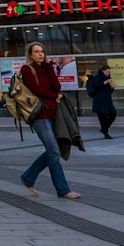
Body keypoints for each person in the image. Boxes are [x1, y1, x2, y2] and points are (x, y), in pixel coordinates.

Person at [16, 42, 79, 199]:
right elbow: (35, 89)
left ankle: (28, 177)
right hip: (39, 115)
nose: (40, 54)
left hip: (53, 114)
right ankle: (63, 190)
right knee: (54, 151)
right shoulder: (27, 69)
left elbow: (56, 87)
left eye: (42, 51)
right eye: (36, 52)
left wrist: (50, 69)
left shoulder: (47, 68)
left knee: (53, 151)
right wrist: (53, 95)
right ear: (30, 54)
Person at [86, 64, 117, 139]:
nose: (108, 73)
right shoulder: (98, 77)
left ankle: (104, 129)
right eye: (107, 72)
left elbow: (110, 90)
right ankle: (106, 133)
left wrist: (112, 86)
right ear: (103, 71)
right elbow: (97, 86)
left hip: (107, 100)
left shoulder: (108, 77)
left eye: (109, 72)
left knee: (113, 113)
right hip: (99, 100)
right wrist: (106, 82)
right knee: (102, 117)